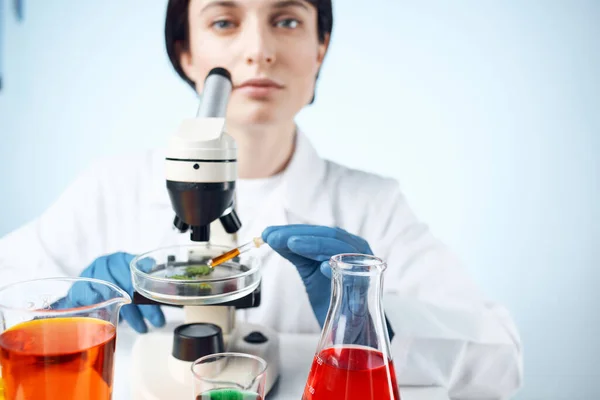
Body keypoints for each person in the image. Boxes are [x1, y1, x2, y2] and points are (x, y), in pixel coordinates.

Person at [0, 0, 523, 398]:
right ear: (185, 51)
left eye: (287, 20)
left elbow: (501, 361)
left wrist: (370, 324)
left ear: (320, 48)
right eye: (224, 21)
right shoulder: (110, 186)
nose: (258, 50)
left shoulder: (373, 204)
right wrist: (65, 309)